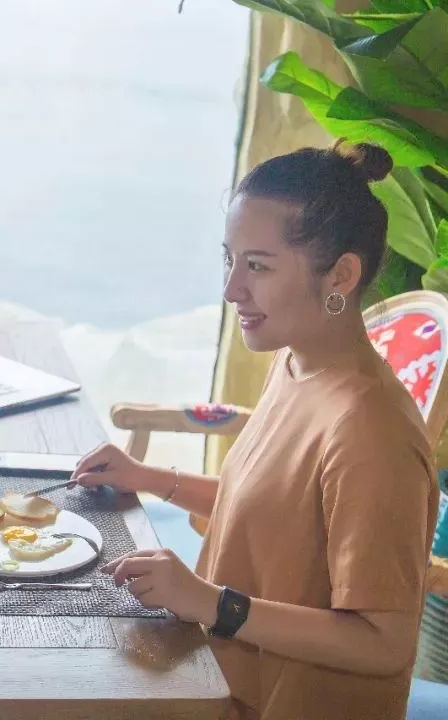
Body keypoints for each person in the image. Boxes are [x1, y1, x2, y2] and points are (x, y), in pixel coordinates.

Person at [72, 141, 439, 720]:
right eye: (230, 259)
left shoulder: (373, 434)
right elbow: (279, 517)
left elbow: (383, 640)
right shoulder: (297, 362)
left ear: (341, 274)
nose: (231, 289)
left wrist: (209, 602)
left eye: (259, 265)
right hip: (217, 678)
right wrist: (148, 477)